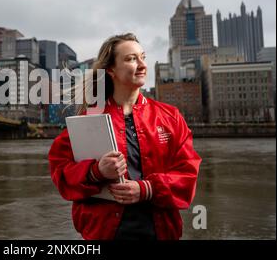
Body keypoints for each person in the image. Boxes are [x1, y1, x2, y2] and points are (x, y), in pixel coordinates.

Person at [48, 33, 202, 240]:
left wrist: (146, 189)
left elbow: (188, 174)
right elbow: (60, 172)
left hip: (160, 233)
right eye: (131, 59)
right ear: (111, 70)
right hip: (103, 234)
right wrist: (95, 171)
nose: (142, 64)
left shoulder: (170, 117)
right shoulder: (89, 119)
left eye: (143, 57)